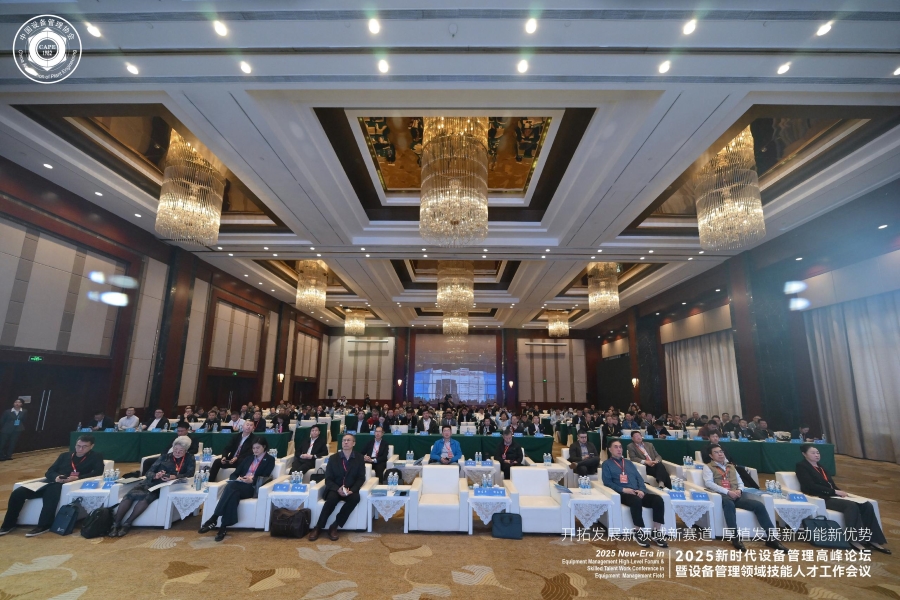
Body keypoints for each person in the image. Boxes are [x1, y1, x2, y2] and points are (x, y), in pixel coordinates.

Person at [0, 435, 104, 536]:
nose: (80, 449)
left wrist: (78, 478)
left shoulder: (95, 456)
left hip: (69, 485)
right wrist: (56, 477)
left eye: (84, 446)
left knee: (51, 492)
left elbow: (98, 472)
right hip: (52, 481)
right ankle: (9, 524)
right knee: (18, 493)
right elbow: (50, 471)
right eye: (78, 446)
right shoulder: (65, 456)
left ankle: (44, 525)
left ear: (91, 446)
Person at [795, 444, 889, 553]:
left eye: (818, 453)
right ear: (804, 454)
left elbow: (831, 485)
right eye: (813, 453)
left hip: (832, 495)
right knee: (851, 506)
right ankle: (854, 540)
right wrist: (834, 492)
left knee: (866, 505)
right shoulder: (802, 466)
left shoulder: (821, 467)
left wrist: (841, 492)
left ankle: (873, 539)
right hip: (820, 498)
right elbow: (810, 486)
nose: (816, 455)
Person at [702, 445, 786, 552]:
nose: (720, 454)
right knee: (729, 504)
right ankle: (735, 538)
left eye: (721, 451)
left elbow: (740, 482)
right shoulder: (708, 467)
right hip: (722, 496)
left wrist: (740, 490)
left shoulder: (731, 466)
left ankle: (771, 538)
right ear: (711, 456)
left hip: (736, 495)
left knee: (759, 505)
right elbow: (709, 483)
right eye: (716, 452)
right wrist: (728, 492)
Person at [110, 436, 195, 537]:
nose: (177, 452)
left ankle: (127, 523)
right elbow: (149, 472)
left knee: (145, 499)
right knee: (129, 496)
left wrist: (175, 476)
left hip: (162, 486)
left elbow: (190, 473)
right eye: (175, 449)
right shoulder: (165, 457)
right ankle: (116, 524)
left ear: (186, 450)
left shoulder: (189, 458)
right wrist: (155, 475)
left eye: (180, 451)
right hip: (150, 482)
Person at [199, 438, 274, 541]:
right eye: (253, 448)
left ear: (264, 447)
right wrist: (237, 478)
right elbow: (234, 474)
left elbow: (266, 476)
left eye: (258, 448)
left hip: (252, 487)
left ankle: (214, 518)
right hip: (239, 485)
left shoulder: (269, 459)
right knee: (233, 494)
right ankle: (223, 528)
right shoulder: (248, 458)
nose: (255, 450)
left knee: (230, 487)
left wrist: (252, 480)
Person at [601, 440, 668, 548]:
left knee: (658, 500)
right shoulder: (607, 464)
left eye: (620, 447)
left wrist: (641, 490)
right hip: (622, 493)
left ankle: (656, 532)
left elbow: (639, 479)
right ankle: (638, 531)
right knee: (636, 501)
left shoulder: (628, 463)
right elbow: (607, 482)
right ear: (610, 450)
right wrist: (623, 489)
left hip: (637, 491)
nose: (619, 449)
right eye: (616, 447)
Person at [309, 434, 367, 542]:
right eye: (344, 440)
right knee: (331, 499)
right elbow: (328, 479)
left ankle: (334, 526)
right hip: (335, 489)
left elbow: (361, 478)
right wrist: (337, 489)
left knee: (355, 498)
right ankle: (318, 527)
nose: (346, 442)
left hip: (350, 489)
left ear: (354, 443)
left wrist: (352, 490)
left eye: (348, 440)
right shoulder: (333, 458)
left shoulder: (359, 458)